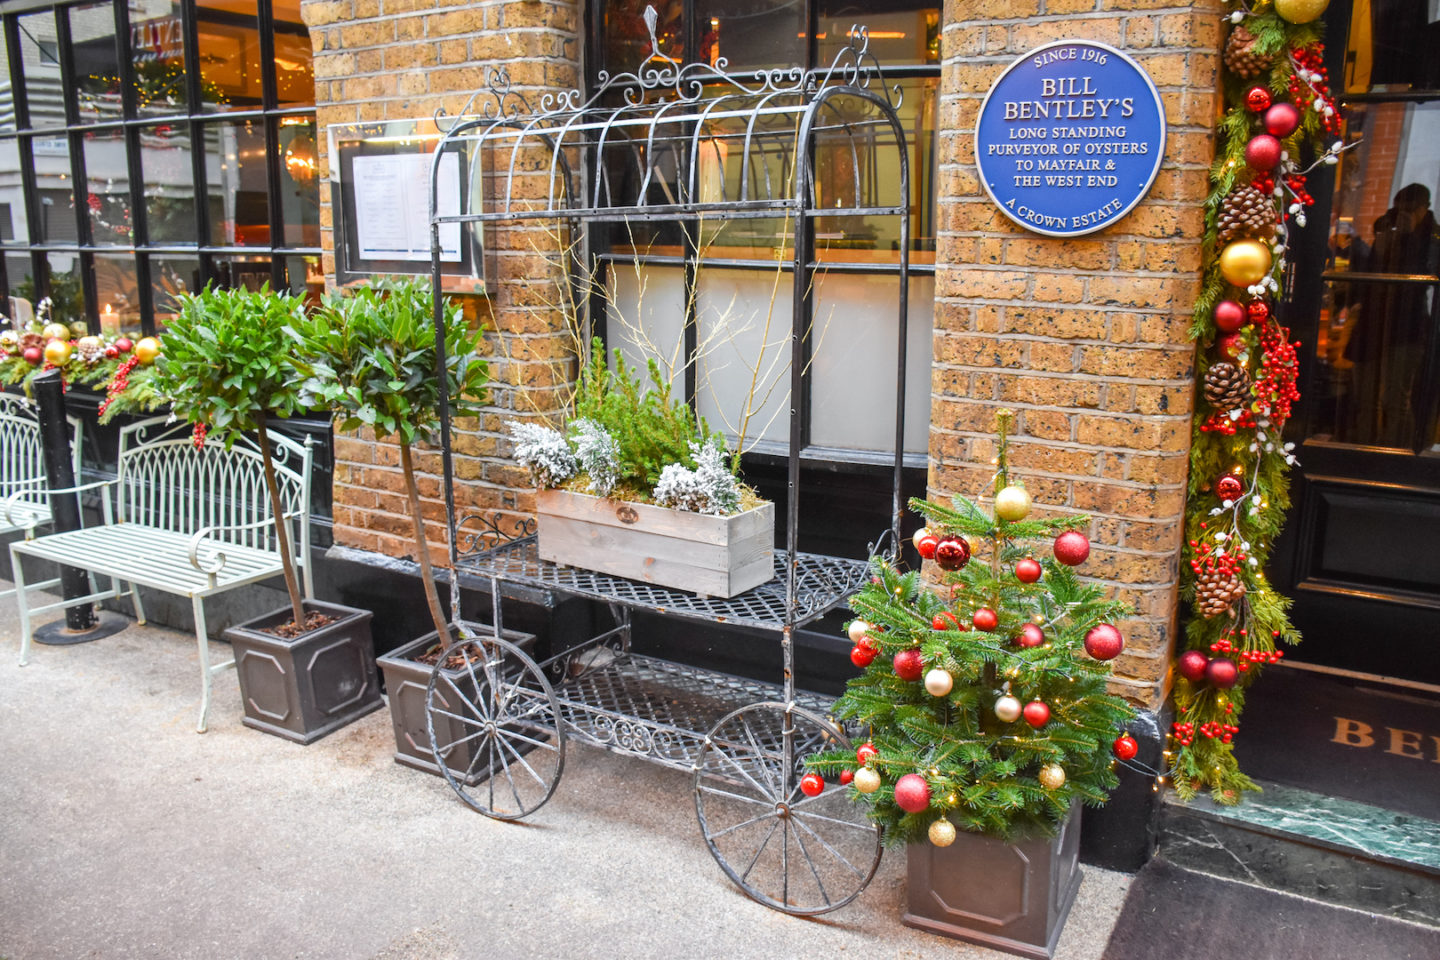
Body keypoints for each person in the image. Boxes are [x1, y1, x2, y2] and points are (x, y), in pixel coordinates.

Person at [1342, 183, 1440, 445]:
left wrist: (1410, 238)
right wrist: (1381, 246)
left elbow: (1426, 274)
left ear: (1424, 208)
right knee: (1366, 397)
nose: (1403, 216)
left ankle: (1395, 454)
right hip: (1373, 323)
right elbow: (1368, 276)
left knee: (1396, 399)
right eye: (1400, 210)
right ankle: (1364, 450)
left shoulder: (1432, 237)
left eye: (1410, 209)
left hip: (1407, 327)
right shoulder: (1387, 230)